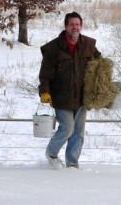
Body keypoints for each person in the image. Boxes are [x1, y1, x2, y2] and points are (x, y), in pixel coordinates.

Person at [38, 11, 101, 169]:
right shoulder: (53, 49)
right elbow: (45, 74)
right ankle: (51, 153)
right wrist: (44, 91)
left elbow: (100, 65)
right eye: (72, 24)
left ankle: (72, 164)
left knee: (78, 132)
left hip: (81, 97)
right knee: (67, 128)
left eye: (78, 24)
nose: (75, 27)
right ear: (65, 26)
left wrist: (103, 85)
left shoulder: (88, 45)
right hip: (61, 96)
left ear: (81, 26)